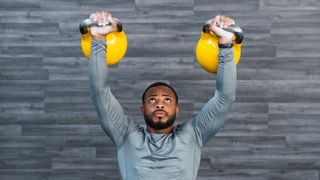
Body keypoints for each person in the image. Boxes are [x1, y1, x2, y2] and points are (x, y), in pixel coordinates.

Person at [88, 11, 237, 180]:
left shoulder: (193, 134)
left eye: (167, 99)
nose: (160, 104)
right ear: (142, 109)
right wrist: (99, 39)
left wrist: (225, 43)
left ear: (177, 109)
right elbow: (99, 92)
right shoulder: (125, 135)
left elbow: (225, 97)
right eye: (153, 100)